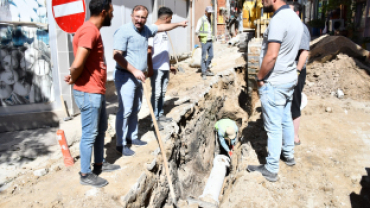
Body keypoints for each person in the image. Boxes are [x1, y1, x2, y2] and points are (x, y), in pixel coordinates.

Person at [113, 5, 187, 157]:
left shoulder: (146, 30)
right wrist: (134, 70)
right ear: (132, 15)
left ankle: (132, 137)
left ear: (146, 18)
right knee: (126, 110)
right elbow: (116, 55)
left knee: (136, 109)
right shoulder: (124, 31)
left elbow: (162, 26)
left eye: (143, 17)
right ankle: (121, 144)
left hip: (139, 77)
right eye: (137, 16)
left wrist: (179, 24)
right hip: (125, 76)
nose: (139, 20)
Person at [64, 0, 120, 188]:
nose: (112, 15)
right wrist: (73, 76)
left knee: (100, 130)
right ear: (104, 12)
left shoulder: (92, 30)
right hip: (89, 92)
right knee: (90, 133)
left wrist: (74, 76)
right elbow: (78, 63)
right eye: (111, 12)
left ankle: (98, 164)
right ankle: (85, 174)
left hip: (96, 90)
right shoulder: (89, 31)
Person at [247, 0, 303, 182]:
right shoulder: (295, 18)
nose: (262, 3)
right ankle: (288, 154)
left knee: (273, 126)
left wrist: (260, 77)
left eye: (264, 0)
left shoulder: (278, 20)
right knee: (286, 118)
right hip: (288, 79)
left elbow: (271, 55)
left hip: (275, 81)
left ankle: (271, 168)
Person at [148, 7, 177, 131]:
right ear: (165, 18)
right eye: (170, 20)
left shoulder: (164, 31)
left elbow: (162, 50)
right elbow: (149, 51)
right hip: (156, 68)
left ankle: (160, 114)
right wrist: (149, 67)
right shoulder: (151, 30)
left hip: (164, 67)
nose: (170, 22)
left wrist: (169, 65)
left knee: (162, 93)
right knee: (156, 94)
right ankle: (153, 120)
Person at [287, 2, 310, 145]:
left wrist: (297, 72)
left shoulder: (301, 28)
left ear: (296, 13)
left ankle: (295, 136)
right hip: (288, 70)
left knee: (295, 102)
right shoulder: (290, 27)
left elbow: (304, 52)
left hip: (296, 70)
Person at [195, 6, 215, 80]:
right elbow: (196, 30)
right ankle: (203, 73)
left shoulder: (210, 19)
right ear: (205, 12)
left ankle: (205, 69)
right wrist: (200, 37)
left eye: (211, 13)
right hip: (204, 41)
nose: (210, 14)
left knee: (211, 55)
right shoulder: (201, 20)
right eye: (209, 13)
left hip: (210, 40)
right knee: (203, 57)